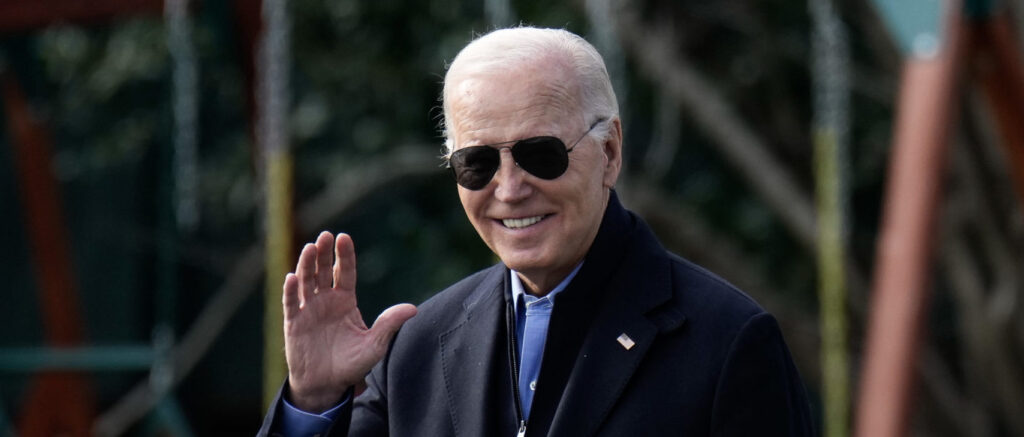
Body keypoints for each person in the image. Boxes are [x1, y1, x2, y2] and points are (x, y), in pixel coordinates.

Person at [258, 26, 814, 437]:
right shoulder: (419, 348)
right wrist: (313, 399)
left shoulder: (725, 342)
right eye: (477, 162)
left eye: (540, 155)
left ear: (610, 152)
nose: (509, 187)